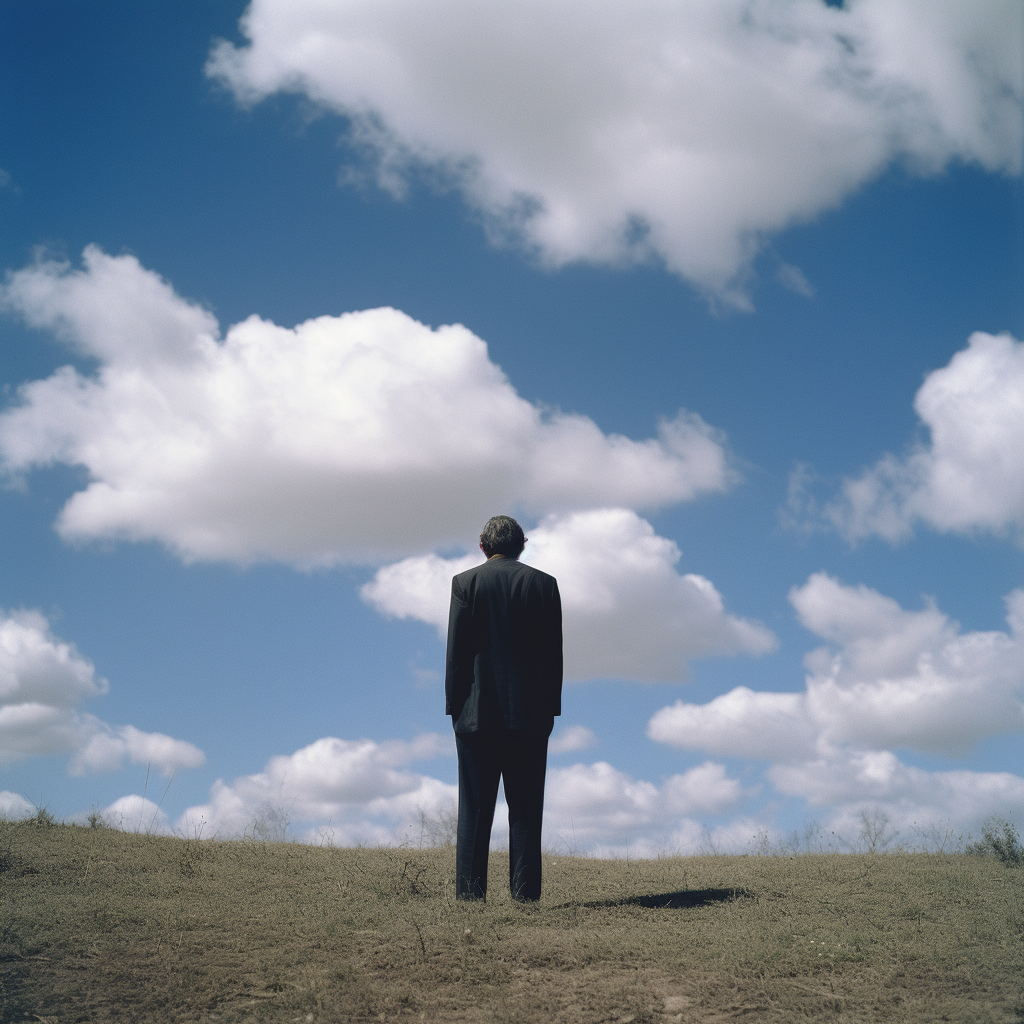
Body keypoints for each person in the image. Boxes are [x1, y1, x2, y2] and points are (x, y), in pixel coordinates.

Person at [445, 515, 562, 901]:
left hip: (476, 715)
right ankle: (525, 898)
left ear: (482, 546)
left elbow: (457, 654)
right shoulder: (544, 585)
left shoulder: (465, 583)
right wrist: (550, 711)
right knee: (527, 810)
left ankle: (470, 897)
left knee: (474, 811)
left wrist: (454, 709)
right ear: (522, 545)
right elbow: (552, 657)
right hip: (530, 716)